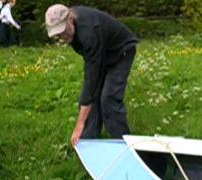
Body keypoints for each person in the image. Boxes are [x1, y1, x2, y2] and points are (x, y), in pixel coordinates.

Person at [45, 4, 138, 145]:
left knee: (108, 99)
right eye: (58, 34)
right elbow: (93, 74)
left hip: (121, 52)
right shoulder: (74, 28)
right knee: (92, 97)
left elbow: (92, 77)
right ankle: (88, 142)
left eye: (64, 31)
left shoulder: (89, 32)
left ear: (70, 19)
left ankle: (124, 145)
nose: (62, 37)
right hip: (103, 54)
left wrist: (80, 123)